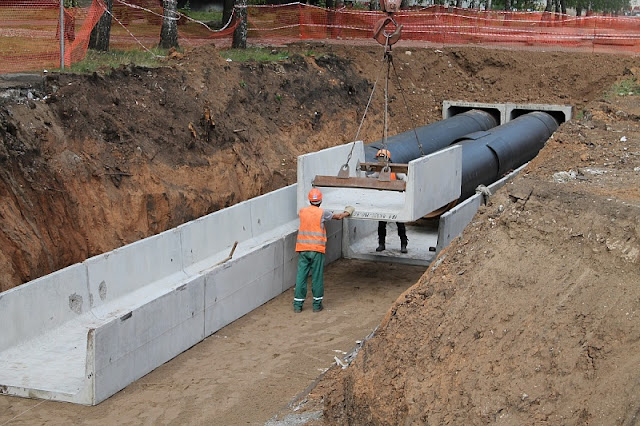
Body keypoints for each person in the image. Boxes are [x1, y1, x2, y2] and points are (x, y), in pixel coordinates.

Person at [293, 188, 353, 313]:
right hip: (316, 250)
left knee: (301, 277)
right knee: (317, 277)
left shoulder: (302, 211)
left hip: (303, 249)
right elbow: (338, 217)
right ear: (320, 201)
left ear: (309, 200)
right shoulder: (322, 213)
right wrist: (348, 212)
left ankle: (297, 306)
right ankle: (316, 305)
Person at [369, 149, 408, 254]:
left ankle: (403, 244)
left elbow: (405, 179)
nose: (378, 161)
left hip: (396, 201)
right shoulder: (379, 171)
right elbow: (372, 177)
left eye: (380, 159)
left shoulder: (395, 170)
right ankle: (381, 244)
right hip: (384, 201)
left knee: (400, 223)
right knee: (381, 224)